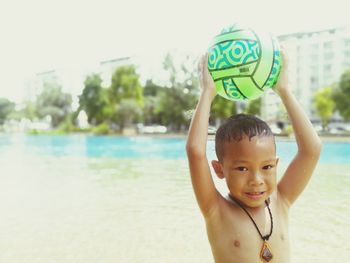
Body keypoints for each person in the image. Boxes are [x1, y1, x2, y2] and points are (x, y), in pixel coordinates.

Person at [186, 49, 322, 263]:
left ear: (276, 165)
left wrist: (284, 91)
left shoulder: (281, 200)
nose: (256, 180)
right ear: (219, 169)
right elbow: (195, 152)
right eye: (242, 168)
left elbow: (311, 150)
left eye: (267, 167)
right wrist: (207, 93)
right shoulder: (217, 211)